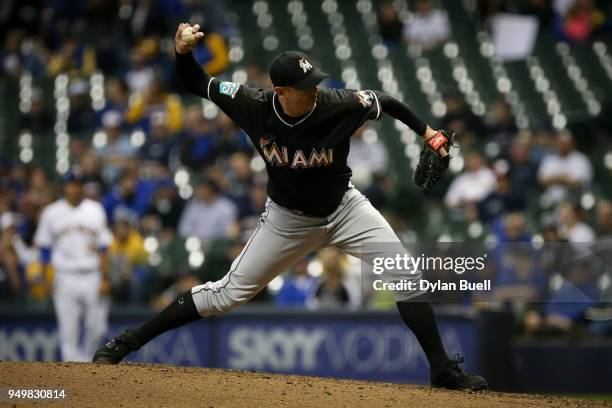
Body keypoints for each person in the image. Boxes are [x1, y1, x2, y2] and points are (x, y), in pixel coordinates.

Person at [94, 23, 487, 391]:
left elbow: (386, 101)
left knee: (406, 276)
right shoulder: (251, 103)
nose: (314, 89)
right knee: (224, 296)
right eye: (303, 85)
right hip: (287, 219)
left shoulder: (339, 104)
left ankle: (442, 370)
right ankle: (127, 341)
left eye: (313, 80)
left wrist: (429, 132)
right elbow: (196, 82)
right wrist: (181, 52)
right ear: (281, 90)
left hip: (344, 208)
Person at [34, 168, 113, 361]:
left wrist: (104, 277)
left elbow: (104, 247)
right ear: (64, 186)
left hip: (92, 274)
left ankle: (86, 365)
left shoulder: (95, 210)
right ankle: (74, 375)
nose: (74, 188)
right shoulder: (51, 213)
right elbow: (44, 248)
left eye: (78, 184)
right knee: (69, 331)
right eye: (71, 184)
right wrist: (45, 277)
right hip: (64, 276)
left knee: (98, 327)